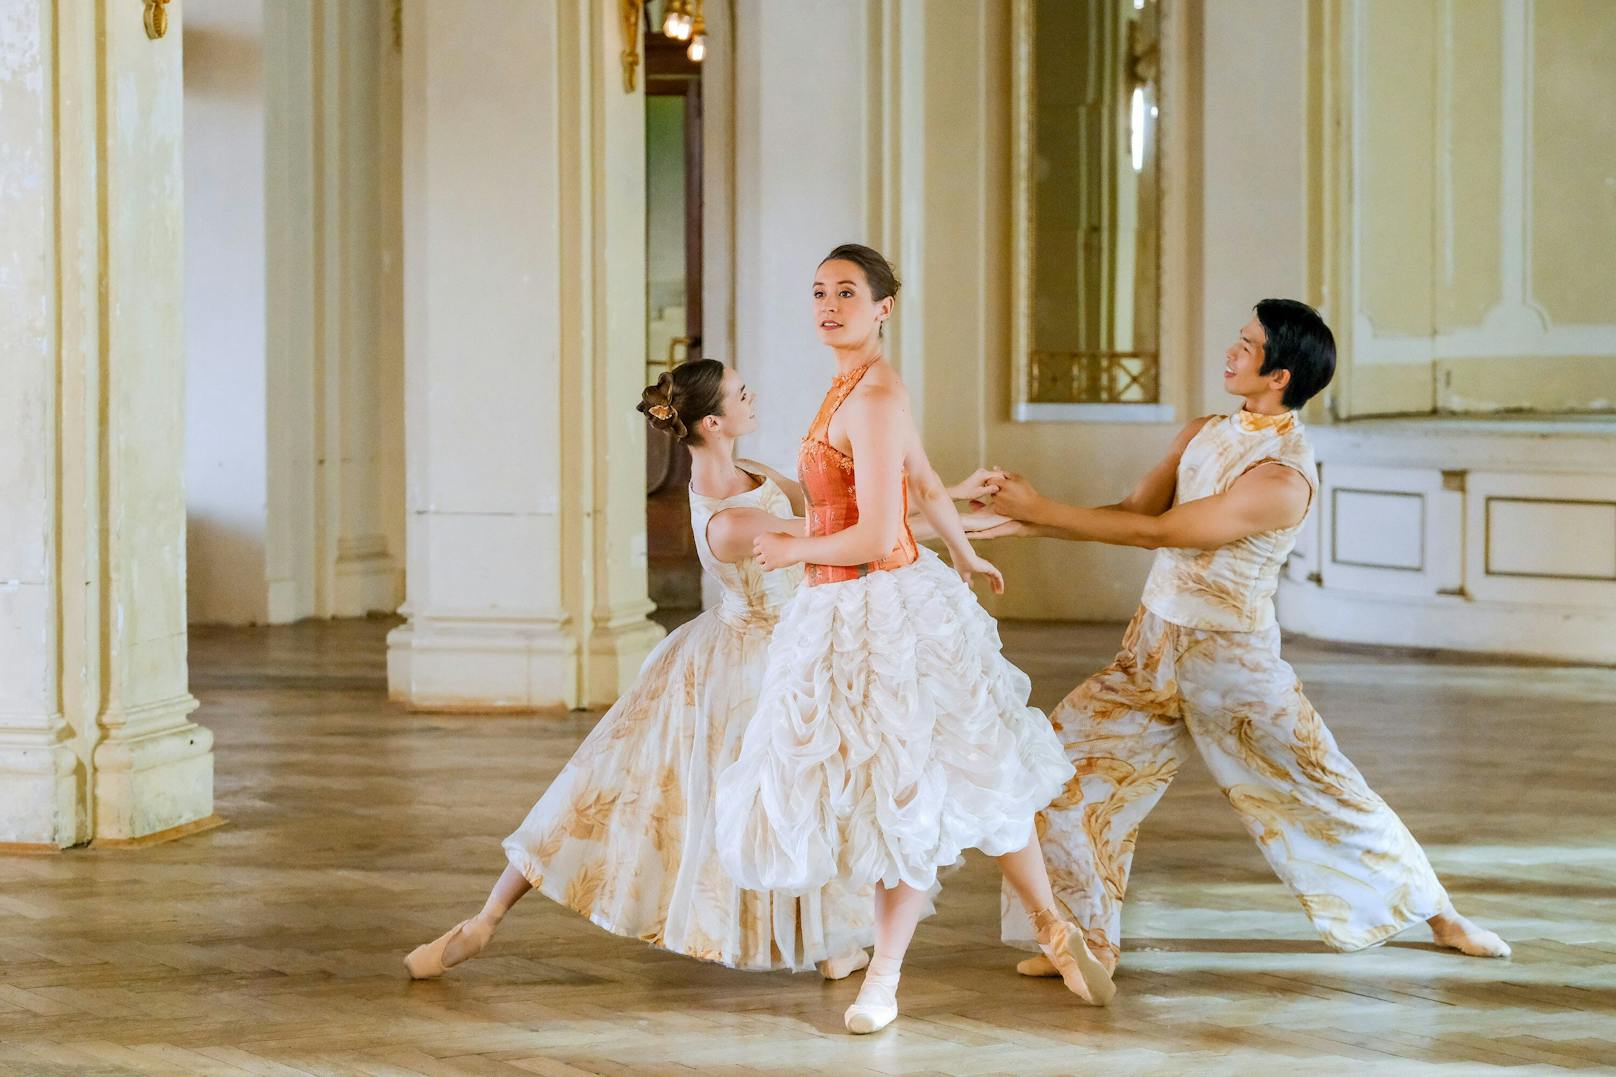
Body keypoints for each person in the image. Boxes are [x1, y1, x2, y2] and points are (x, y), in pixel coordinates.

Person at [404, 358, 1003, 981]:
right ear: (714, 422)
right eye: (742, 393)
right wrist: (968, 529)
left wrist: (952, 495)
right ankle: (483, 923)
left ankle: (831, 943)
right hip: (752, 666)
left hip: (781, 645)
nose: (754, 396)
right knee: (629, 794)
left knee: (805, 798)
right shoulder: (733, 520)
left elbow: (854, 507)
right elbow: (856, 534)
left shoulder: (754, 473)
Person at [977, 299, 1510, 975]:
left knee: (1323, 788)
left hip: (1233, 667)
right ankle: (1085, 943)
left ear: (1279, 374)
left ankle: (1440, 914)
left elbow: (1161, 535)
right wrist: (1028, 522)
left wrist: (1039, 511)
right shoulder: (1203, 431)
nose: (1230, 350)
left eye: (1246, 343)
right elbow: (1136, 512)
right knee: (1061, 771)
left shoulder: (1282, 478)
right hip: (1149, 652)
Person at [716, 244, 1116, 1036]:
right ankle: (1054, 931)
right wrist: (966, 553)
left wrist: (795, 549)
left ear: (883, 307)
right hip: (852, 605)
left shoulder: (869, 395)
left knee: (921, 789)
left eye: (847, 293)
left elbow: (871, 528)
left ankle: (886, 976)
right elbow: (925, 483)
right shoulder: (856, 385)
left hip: (880, 607)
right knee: (960, 782)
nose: (829, 306)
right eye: (820, 292)